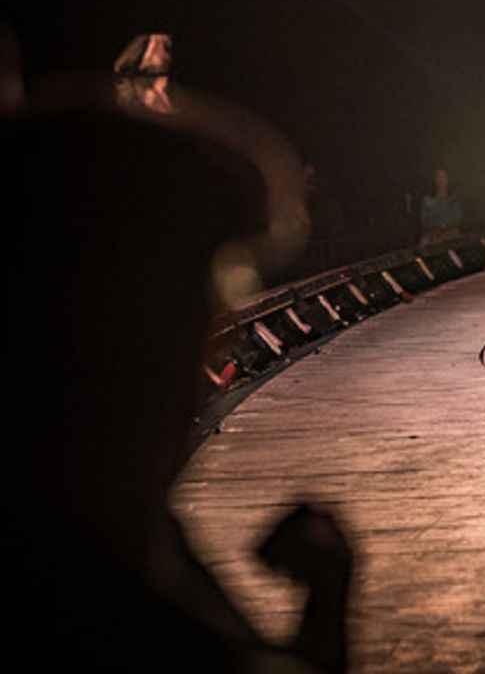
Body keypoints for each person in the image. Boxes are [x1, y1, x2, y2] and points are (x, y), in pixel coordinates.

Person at [6, 98, 351, 672]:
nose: (208, 353)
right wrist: (328, 593)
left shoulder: (133, 528)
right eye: (197, 318)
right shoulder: (95, 580)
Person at [113, 32, 175, 114]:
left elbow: (160, 87)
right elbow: (120, 67)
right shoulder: (143, 41)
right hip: (130, 89)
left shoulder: (165, 51)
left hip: (142, 91)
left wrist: (169, 109)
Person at [419, 167, 462, 246]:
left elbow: (456, 219)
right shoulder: (427, 200)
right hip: (432, 234)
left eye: (443, 177)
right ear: (435, 180)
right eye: (438, 177)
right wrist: (435, 229)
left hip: (449, 233)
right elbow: (424, 220)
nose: (441, 180)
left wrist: (445, 229)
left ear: (447, 180)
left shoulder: (454, 199)